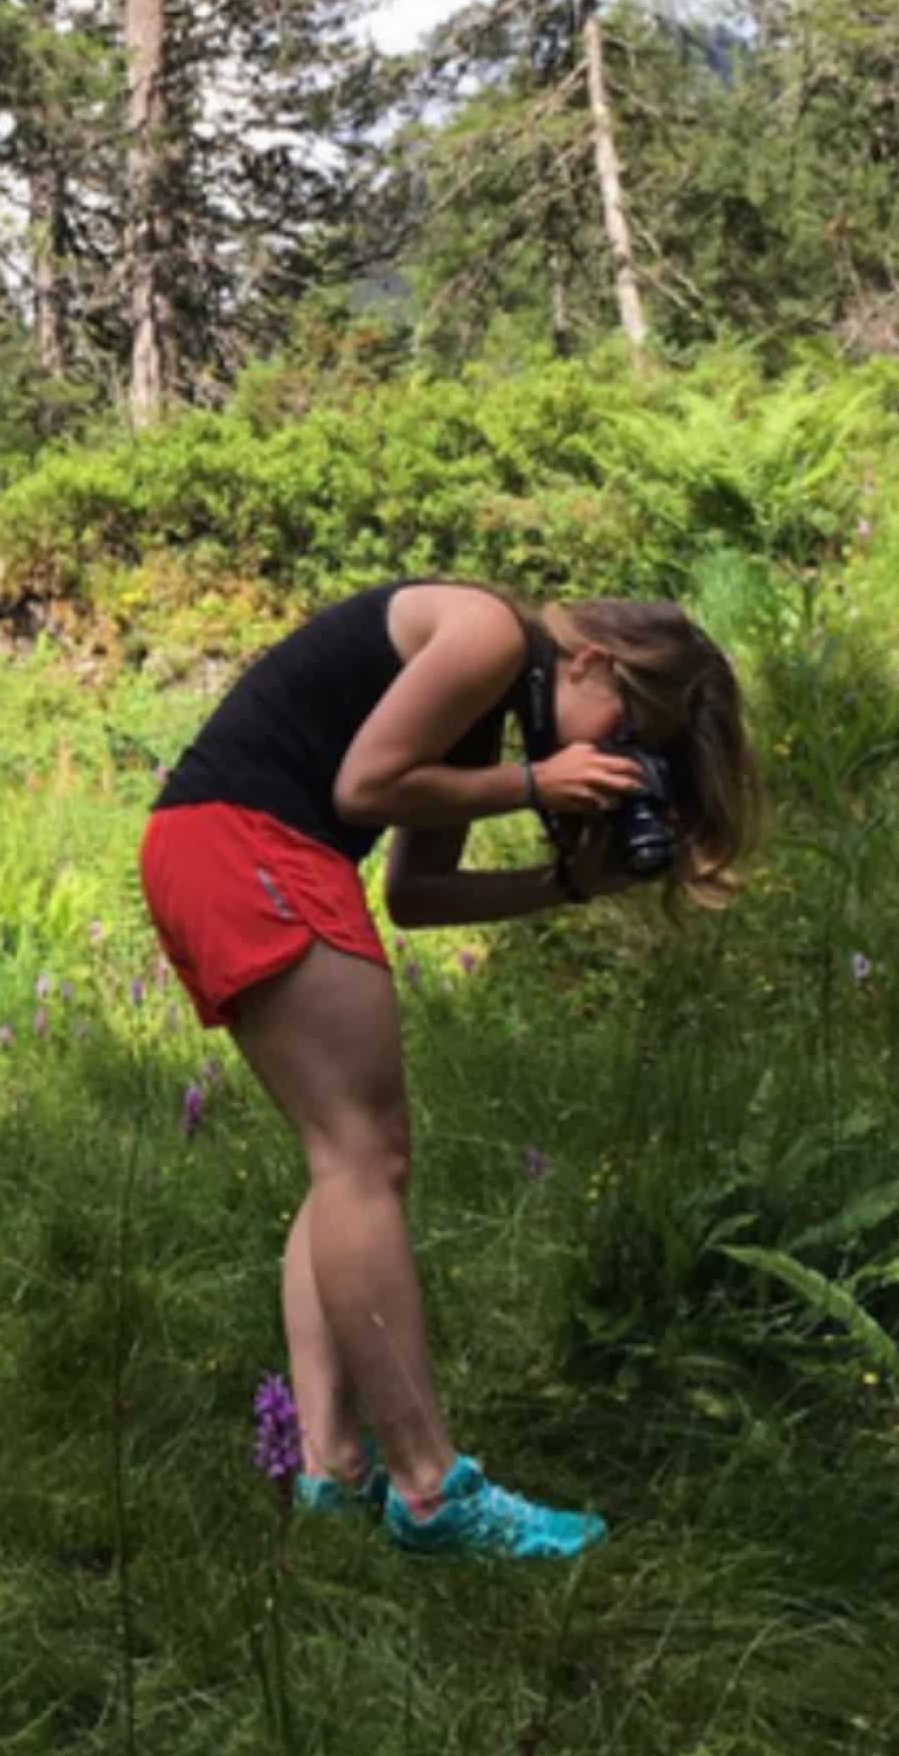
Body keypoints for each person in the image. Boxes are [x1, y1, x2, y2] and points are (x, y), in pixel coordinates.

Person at [139, 577, 762, 1563]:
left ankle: (331, 1471)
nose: (611, 761)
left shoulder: (486, 703)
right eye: (628, 734)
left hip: (228, 845)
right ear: (593, 661)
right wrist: (534, 788)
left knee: (345, 1160)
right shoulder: (479, 634)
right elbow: (364, 787)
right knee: (363, 1158)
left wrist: (561, 883)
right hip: (250, 842)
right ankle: (432, 1490)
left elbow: (417, 891)